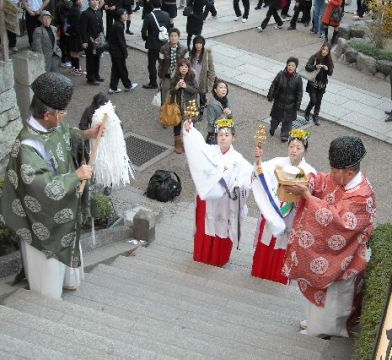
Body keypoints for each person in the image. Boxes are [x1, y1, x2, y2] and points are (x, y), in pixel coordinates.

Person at [0, 72, 103, 300]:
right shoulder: (27, 147)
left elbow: (66, 135)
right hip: (42, 217)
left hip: (63, 206)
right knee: (46, 264)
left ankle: (67, 282)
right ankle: (47, 296)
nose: (64, 116)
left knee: (64, 249)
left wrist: (86, 134)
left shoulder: (51, 127)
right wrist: (76, 175)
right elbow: (41, 186)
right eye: (61, 112)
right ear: (47, 114)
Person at [282, 135, 376, 338]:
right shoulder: (342, 179)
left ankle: (322, 332)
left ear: (349, 172)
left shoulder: (362, 197)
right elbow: (324, 181)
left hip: (343, 261)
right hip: (330, 255)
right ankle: (313, 324)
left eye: (335, 171)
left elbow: (339, 223)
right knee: (319, 301)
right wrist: (309, 182)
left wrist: (307, 196)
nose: (331, 175)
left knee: (332, 305)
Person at [183, 118, 253, 267]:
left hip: (225, 203)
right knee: (205, 226)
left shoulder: (238, 160)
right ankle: (201, 255)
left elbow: (247, 177)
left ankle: (218, 259)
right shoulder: (209, 151)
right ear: (216, 136)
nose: (223, 137)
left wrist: (237, 186)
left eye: (227, 135)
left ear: (233, 137)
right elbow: (197, 146)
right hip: (208, 200)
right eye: (220, 134)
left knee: (222, 227)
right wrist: (189, 131)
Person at [251, 130, 316, 284]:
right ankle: (259, 274)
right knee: (268, 241)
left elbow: (311, 196)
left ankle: (278, 278)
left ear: (305, 150)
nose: (294, 150)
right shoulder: (277, 162)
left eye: (298, 148)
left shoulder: (310, 172)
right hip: (273, 212)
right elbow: (260, 173)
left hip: (291, 216)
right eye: (292, 146)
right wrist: (258, 161)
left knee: (283, 245)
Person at [267, 57, 303, 143]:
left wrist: (298, 104)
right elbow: (274, 85)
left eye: (293, 65)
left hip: (290, 104)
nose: (290, 67)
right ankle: (272, 128)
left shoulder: (298, 78)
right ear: (286, 65)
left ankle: (284, 135)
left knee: (287, 122)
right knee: (275, 119)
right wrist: (270, 95)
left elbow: (299, 92)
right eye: (289, 65)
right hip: (279, 101)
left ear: (296, 67)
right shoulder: (280, 74)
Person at [169, 58, 199, 153]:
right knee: (177, 124)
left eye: (186, 66)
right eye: (182, 66)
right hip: (178, 106)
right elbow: (171, 91)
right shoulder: (175, 78)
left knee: (190, 126)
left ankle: (188, 144)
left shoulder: (192, 76)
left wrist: (186, 87)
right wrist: (177, 87)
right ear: (178, 68)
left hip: (189, 106)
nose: (184, 68)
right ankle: (177, 143)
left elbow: (196, 90)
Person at [108, 8, 138, 93]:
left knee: (116, 69)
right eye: (124, 14)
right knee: (122, 69)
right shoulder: (119, 26)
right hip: (118, 52)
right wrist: (125, 52)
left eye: (126, 14)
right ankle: (128, 85)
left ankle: (113, 87)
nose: (126, 15)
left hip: (114, 51)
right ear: (120, 16)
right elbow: (121, 41)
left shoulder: (118, 24)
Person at [141, 0, 170, 89]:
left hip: (153, 44)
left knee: (152, 64)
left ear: (152, 5)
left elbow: (144, 31)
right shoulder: (166, 15)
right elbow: (168, 28)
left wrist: (147, 39)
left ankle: (153, 82)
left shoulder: (149, 16)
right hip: (163, 43)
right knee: (164, 63)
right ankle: (166, 80)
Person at [303, 43, 334, 126]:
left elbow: (330, 73)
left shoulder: (329, 60)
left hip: (322, 84)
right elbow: (307, 67)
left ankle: (315, 116)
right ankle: (307, 111)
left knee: (319, 100)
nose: (324, 51)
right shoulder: (315, 57)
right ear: (321, 49)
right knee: (313, 100)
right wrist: (315, 67)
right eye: (323, 49)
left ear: (329, 52)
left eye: (327, 50)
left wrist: (327, 69)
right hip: (313, 82)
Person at [158, 27, 188, 103]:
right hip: (166, 76)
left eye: (175, 36)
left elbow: (187, 65)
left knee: (177, 98)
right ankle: (165, 113)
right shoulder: (163, 49)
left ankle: (176, 114)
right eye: (171, 36)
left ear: (178, 37)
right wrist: (160, 77)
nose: (173, 38)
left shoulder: (184, 50)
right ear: (169, 37)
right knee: (165, 97)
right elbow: (161, 63)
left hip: (178, 77)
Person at [189, 35, 215, 122]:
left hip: (203, 80)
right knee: (193, 97)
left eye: (200, 43)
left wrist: (211, 83)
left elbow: (211, 69)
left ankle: (201, 112)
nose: (198, 45)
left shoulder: (207, 55)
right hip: (193, 80)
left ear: (203, 44)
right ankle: (193, 112)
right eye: (196, 43)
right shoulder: (190, 54)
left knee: (202, 97)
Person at [80, 0, 105, 85]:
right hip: (90, 40)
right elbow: (82, 28)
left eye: (96, 0)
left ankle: (96, 75)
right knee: (90, 59)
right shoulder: (85, 13)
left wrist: (102, 35)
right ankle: (90, 78)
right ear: (89, 2)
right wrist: (84, 41)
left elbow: (101, 25)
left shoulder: (99, 12)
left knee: (97, 58)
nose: (95, 2)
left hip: (98, 40)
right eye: (93, 0)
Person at [206, 80, 232, 145]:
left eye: (225, 88)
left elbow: (230, 117)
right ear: (215, 90)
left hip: (225, 131)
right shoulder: (211, 104)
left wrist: (229, 114)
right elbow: (211, 123)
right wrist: (223, 115)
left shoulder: (226, 100)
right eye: (221, 87)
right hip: (214, 134)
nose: (224, 90)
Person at [67, 0, 85, 75]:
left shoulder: (73, 8)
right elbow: (77, 24)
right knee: (76, 52)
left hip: (72, 33)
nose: (81, 1)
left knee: (73, 51)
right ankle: (77, 69)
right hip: (76, 34)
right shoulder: (76, 10)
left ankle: (74, 67)